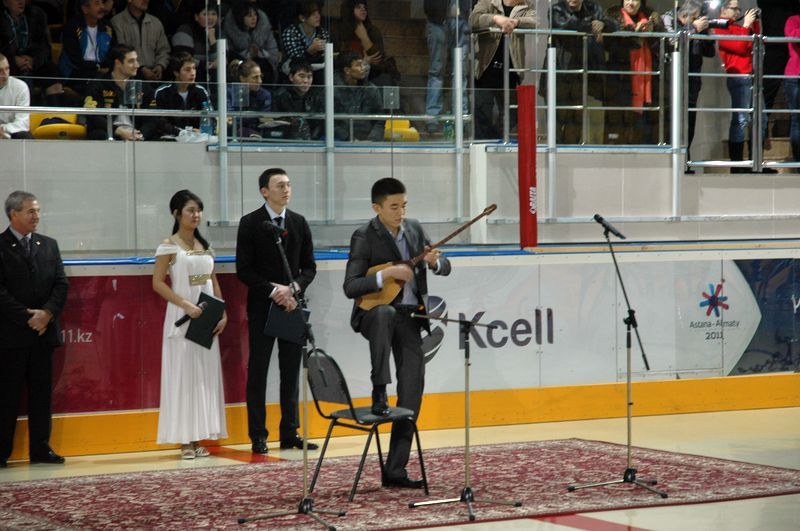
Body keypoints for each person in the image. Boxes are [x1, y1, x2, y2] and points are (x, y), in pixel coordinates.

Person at [343, 177, 451, 488]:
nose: (400, 212)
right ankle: (379, 388)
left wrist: (436, 261)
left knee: (412, 390)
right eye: (393, 207)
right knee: (384, 312)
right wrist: (387, 274)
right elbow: (351, 286)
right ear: (377, 207)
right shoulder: (364, 236)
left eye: (404, 206)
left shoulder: (415, 229)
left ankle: (396, 469)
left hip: (410, 319)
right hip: (373, 316)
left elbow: (446, 267)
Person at [236, 168, 318, 454]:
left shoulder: (299, 223)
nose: (286, 189)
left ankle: (289, 432)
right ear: (264, 191)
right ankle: (258, 434)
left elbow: (309, 267)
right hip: (262, 307)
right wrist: (274, 291)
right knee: (258, 371)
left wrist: (292, 288)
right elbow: (243, 270)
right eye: (279, 185)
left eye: (288, 184)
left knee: (290, 371)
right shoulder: (250, 223)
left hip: (292, 306)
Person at [152, 189, 228, 460]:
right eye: (190, 210)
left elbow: (212, 279)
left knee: (202, 378)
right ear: (177, 214)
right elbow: (158, 282)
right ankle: (184, 439)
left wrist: (222, 312)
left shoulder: (204, 244)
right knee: (182, 377)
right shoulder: (169, 245)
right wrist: (185, 304)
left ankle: (198, 436)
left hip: (206, 319)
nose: (196, 215)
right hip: (182, 319)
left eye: (198, 210)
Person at [0, 191, 69, 468]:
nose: (36, 216)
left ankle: (40, 449)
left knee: (42, 396)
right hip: (11, 336)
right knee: (7, 396)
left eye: (37, 211)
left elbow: (61, 284)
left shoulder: (49, 245)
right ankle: (2, 451)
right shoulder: (0, 246)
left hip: (43, 333)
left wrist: (47, 313)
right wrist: (26, 316)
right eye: (30, 211)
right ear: (13, 214)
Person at [713, 0, 775, 173]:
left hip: (752, 76)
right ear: (723, 10)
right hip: (739, 77)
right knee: (741, 120)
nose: (737, 12)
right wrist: (746, 24)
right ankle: (738, 165)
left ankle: (756, 164)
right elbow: (740, 46)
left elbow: (752, 42)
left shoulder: (738, 27)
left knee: (760, 120)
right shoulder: (721, 26)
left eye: (738, 9)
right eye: (734, 8)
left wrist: (754, 21)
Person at [542, 0, 617, 144]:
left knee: (575, 123)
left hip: (581, 75)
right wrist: (593, 26)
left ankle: (570, 159)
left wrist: (603, 24)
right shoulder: (556, 9)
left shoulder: (594, 8)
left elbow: (614, 24)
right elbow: (567, 25)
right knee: (556, 123)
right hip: (559, 73)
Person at [469, 0, 538, 140]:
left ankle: (496, 141)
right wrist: (495, 19)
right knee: (481, 113)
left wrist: (515, 22)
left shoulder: (526, 5)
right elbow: (473, 19)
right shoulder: (489, 2)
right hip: (486, 69)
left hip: (512, 70)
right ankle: (483, 149)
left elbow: (536, 20)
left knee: (511, 115)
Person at [663, 1, 715, 171]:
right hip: (670, 79)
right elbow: (672, 41)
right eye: (695, 17)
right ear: (685, 16)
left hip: (691, 80)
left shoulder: (696, 25)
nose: (698, 19)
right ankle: (671, 159)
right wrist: (693, 28)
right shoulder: (668, 18)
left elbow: (710, 52)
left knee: (689, 121)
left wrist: (705, 32)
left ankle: (686, 158)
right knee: (671, 120)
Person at [604, 0, 664, 145]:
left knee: (642, 129)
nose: (631, 3)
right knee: (617, 127)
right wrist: (634, 34)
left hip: (648, 81)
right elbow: (611, 47)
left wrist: (651, 35)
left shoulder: (653, 20)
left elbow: (663, 48)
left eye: (635, 0)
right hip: (620, 78)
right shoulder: (612, 18)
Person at [0, 0, 66, 106]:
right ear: (5, 2)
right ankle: (24, 117)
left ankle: (57, 118)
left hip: (33, 62)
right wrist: (13, 60)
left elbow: (45, 46)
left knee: (52, 73)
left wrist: (33, 60)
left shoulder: (36, 15)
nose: (21, 1)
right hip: (8, 63)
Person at [423, 0, 471, 134]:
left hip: (461, 20)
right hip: (437, 19)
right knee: (436, 71)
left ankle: (461, 116)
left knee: (460, 74)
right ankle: (432, 117)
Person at [82, 43, 144, 140]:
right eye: (131, 61)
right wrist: (118, 130)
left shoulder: (140, 85)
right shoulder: (98, 84)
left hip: (136, 134)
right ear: (118, 63)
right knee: (99, 135)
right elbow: (93, 116)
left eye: (136, 60)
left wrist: (140, 134)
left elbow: (153, 117)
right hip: (109, 133)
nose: (137, 65)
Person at [145, 52, 212, 139]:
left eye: (194, 68)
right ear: (176, 73)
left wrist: (202, 130)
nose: (192, 73)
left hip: (196, 138)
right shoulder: (161, 92)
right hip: (169, 138)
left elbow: (210, 116)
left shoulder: (201, 91)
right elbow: (158, 121)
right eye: (187, 70)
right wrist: (180, 132)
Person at [335, 0, 400, 87]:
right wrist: (363, 62)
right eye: (358, 7)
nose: (363, 10)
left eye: (364, 7)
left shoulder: (373, 30)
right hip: (345, 74)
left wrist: (364, 37)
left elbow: (377, 58)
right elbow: (338, 59)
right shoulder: (339, 30)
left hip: (372, 73)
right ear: (349, 10)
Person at [59, 0, 116, 93]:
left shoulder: (107, 27)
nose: (102, 7)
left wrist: (104, 67)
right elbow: (74, 59)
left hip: (102, 71)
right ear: (85, 9)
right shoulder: (72, 27)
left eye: (102, 3)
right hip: (77, 72)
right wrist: (97, 67)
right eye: (97, 3)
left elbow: (113, 52)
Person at [111, 0, 171, 83]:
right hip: (128, 78)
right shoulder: (117, 22)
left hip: (154, 78)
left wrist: (160, 65)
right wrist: (141, 68)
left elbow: (164, 49)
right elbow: (121, 51)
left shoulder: (156, 23)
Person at [222, 0, 280, 84]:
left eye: (255, 14)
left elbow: (273, 53)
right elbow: (229, 56)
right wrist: (248, 54)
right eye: (249, 16)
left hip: (265, 69)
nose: (254, 18)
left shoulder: (264, 30)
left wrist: (260, 53)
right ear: (240, 17)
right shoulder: (230, 33)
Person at [333, 50, 384, 142]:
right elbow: (330, 123)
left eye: (363, 64)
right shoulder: (333, 90)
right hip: (341, 140)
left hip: (368, 140)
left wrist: (372, 140)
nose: (363, 68)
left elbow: (380, 120)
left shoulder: (372, 89)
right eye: (358, 65)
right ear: (347, 70)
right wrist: (350, 139)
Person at [272, 57, 324, 140]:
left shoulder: (316, 95)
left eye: (309, 77)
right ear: (291, 77)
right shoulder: (281, 96)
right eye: (301, 76)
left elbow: (320, 123)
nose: (306, 81)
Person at [280, 0, 330, 85]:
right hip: (295, 68)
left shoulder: (323, 33)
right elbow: (295, 60)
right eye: (313, 14)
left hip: (317, 69)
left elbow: (326, 56)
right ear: (302, 18)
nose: (318, 17)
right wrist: (310, 51)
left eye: (318, 13)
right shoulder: (291, 32)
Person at [171, 0, 220, 83]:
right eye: (205, 14)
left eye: (213, 14)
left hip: (212, 79)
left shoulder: (218, 32)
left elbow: (219, 62)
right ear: (196, 17)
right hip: (188, 78)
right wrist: (208, 65)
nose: (210, 17)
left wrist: (212, 40)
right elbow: (184, 59)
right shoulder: (185, 31)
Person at [226, 58, 271, 139]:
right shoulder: (229, 92)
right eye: (255, 77)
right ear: (242, 78)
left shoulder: (265, 95)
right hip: (233, 136)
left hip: (258, 134)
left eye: (260, 76)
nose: (260, 81)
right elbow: (231, 120)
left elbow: (264, 120)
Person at [0, 53, 33, 139]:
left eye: (7, 69)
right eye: (0, 71)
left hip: (12, 132)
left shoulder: (20, 87)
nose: (5, 74)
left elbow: (23, 123)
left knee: (24, 136)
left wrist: (3, 129)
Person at [785, 3, 800, 165]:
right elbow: (793, 35)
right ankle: (798, 161)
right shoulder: (793, 20)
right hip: (795, 76)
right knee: (797, 119)